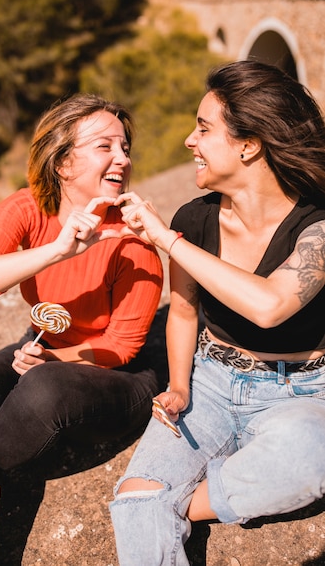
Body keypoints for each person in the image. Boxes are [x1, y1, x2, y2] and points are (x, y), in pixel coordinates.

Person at [0, 94, 164, 565]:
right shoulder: (27, 208)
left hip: (118, 376)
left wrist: (54, 360)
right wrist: (57, 251)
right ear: (63, 162)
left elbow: (122, 346)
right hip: (44, 346)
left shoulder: (133, 242)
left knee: (39, 390)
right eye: (105, 146)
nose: (122, 159)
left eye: (125, 147)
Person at [109, 60, 325, 565]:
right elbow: (183, 313)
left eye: (204, 128)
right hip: (211, 384)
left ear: (249, 145)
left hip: (303, 392)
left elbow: (271, 305)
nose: (190, 140)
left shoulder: (318, 225)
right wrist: (181, 385)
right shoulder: (196, 218)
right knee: (137, 496)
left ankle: (182, 501)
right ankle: (162, 500)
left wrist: (165, 239)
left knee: (308, 457)